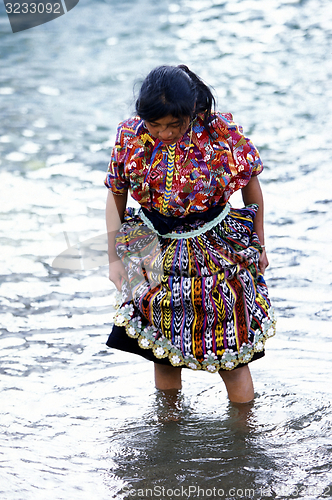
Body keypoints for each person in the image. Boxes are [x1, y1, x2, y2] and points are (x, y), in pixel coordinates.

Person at [104, 65, 276, 404]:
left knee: (233, 352)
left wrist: (260, 245)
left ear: (192, 112)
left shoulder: (219, 131)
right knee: (162, 351)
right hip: (155, 248)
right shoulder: (129, 137)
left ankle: (244, 436)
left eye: (174, 125)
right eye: (156, 125)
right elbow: (115, 196)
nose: (165, 133)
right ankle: (168, 433)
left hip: (216, 246)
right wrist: (113, 259)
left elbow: (251, 187)